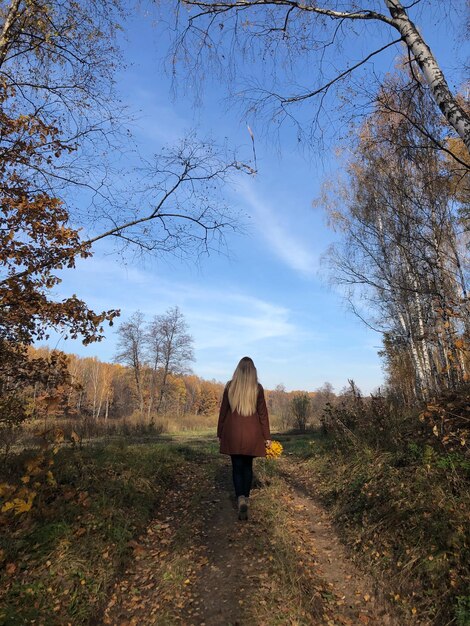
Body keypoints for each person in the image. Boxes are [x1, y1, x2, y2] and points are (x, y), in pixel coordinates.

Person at [217, 356, 271, 520]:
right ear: (253, 371)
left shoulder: (230, 387)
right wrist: (267, 436)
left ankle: (240, 497)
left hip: (232, 433)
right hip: (252, 434)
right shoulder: (258, 388)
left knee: (236, 467)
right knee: (248, 467)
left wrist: (220, 432)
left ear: (238, 370)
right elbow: (263, 414)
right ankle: (245, 498)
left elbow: (223, 412)